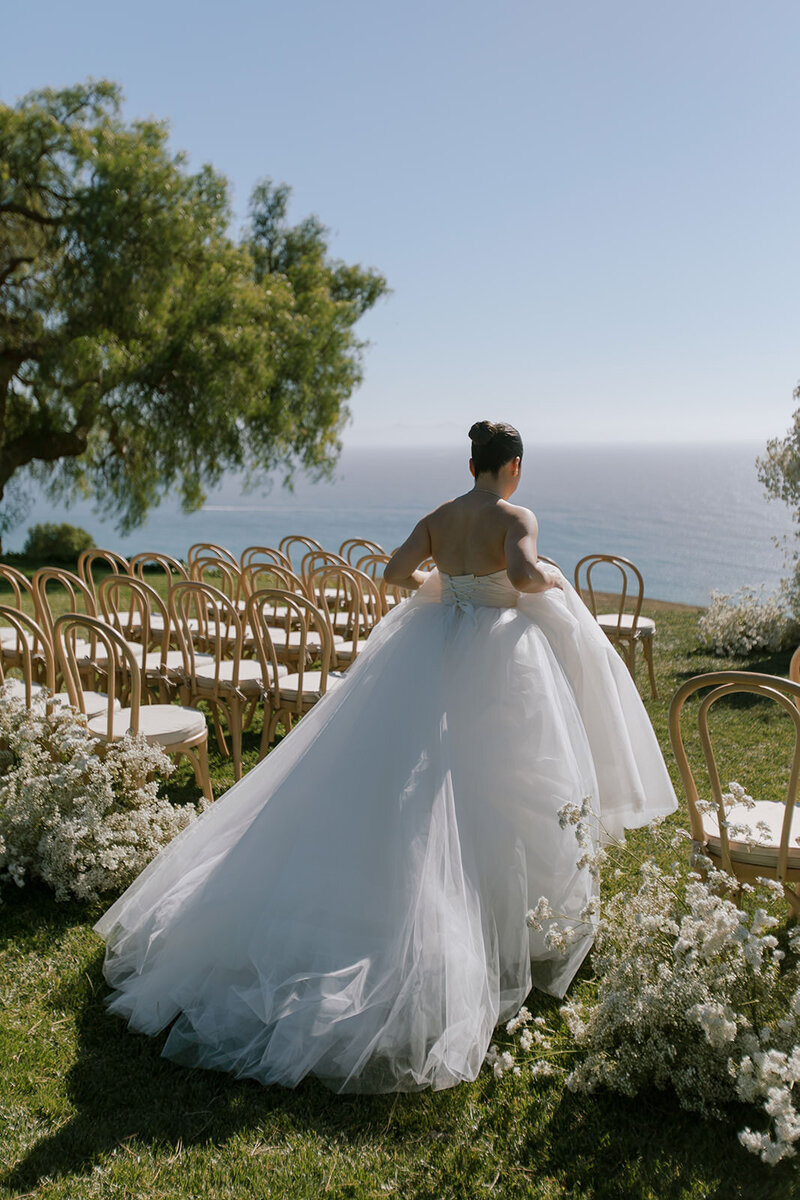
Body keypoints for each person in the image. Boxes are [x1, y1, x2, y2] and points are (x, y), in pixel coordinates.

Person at [94, 420, 677, 1094]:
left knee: (417, 774)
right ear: (512, 466)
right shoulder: (516, 513)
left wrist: (447, 583)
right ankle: (508, 920)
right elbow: (519, 571)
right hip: (497, 655)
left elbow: (396, 571)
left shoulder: (440, 514)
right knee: (501, 775)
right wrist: (546, 578)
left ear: (471, 464)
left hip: (430, 647)